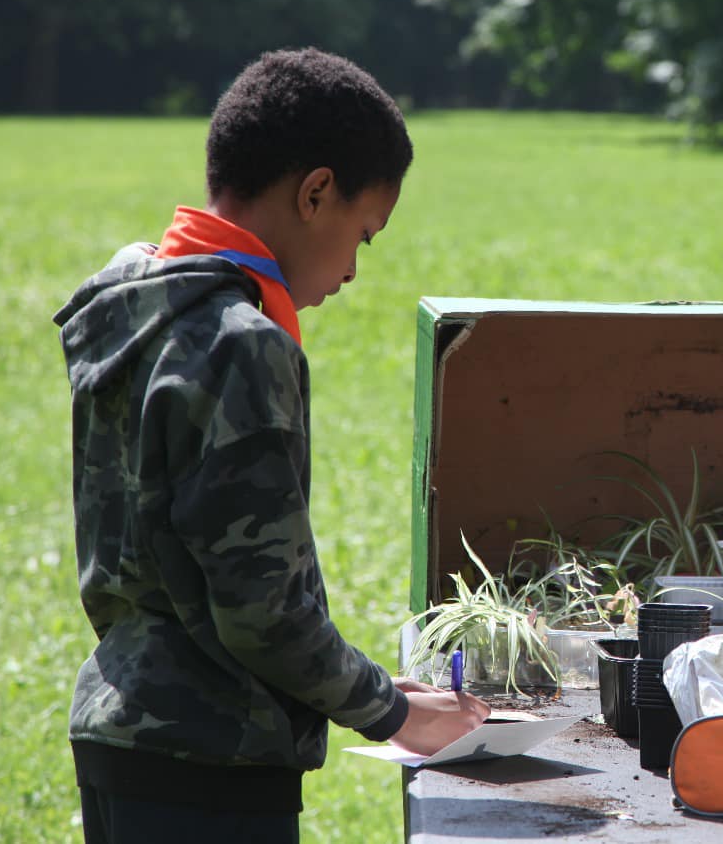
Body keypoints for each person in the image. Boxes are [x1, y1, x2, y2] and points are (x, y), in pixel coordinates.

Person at [53, 48, 489, 844]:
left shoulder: (136, 296)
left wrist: (362, 684)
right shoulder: (240, 343)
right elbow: (262, 612)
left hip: (120, 736)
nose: (355, 268)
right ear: (316, 192)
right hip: (210, 770)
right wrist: (390, 712)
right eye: (364, 233)